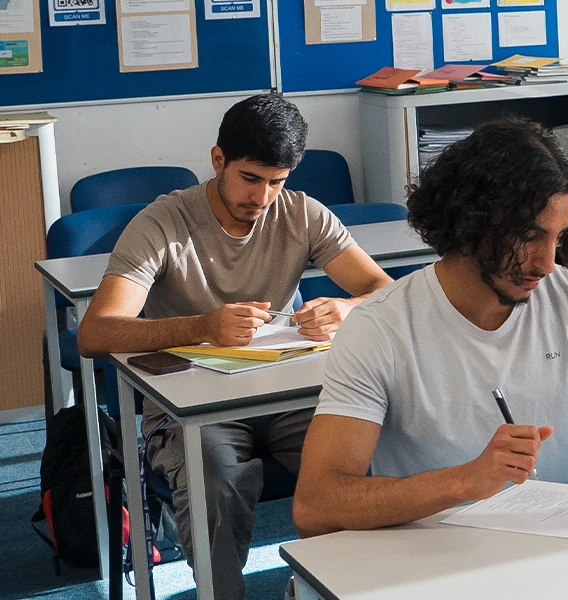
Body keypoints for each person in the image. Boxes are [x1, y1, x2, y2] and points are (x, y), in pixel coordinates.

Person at [293, 117, 568, 538]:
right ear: (468, 222)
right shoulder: (381, 328)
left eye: (558, 236)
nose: (548, 263)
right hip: (439, 564)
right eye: (529, 236)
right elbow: (317, 505)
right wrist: (466, 480)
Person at [76, 92, 396, 600]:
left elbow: (383, 290)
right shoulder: (161, 223)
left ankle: (337, 588)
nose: (263, 197)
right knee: (214, 478)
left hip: (286, 390)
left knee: (371, 457)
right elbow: (96, 333)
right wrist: (203, 326)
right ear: (218, 160)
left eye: (277, 182)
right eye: (250, 179)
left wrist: (346, 309)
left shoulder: (301, 213)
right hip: (193, 405)